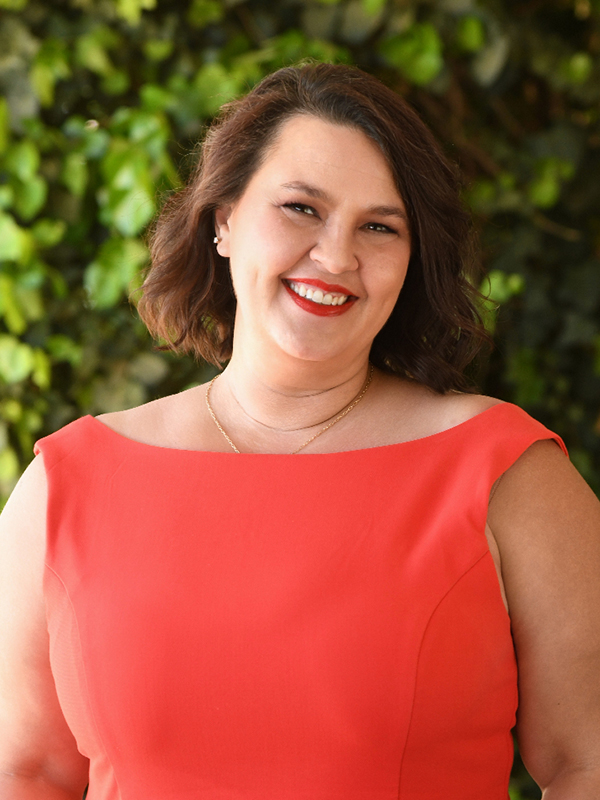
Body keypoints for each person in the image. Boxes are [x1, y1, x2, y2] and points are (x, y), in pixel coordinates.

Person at [1, 62, 599, 800]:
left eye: (379, 227)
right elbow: (25, 775)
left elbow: (588, 762)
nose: (337, 256)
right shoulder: (66, 486)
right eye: (301, 209)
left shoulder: (506, 472)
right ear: (222, 220)